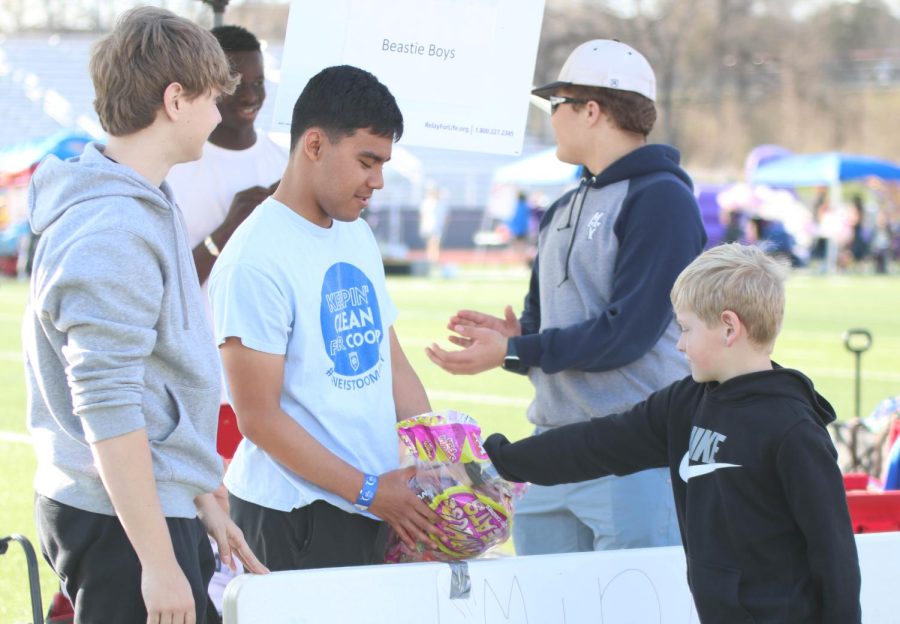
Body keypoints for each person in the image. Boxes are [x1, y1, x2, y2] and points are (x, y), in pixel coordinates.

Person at [22, 7, 265, 624]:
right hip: (121, 524)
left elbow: (151, 386)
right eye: (212, 98)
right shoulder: (114, 228)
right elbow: (107, 406)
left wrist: (199, 497)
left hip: (146, 508)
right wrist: (157, 561)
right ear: (176, 98)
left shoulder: (142, 200)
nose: (219, 115)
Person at [427, 39, 706, 555]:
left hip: (634, 458)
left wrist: (518, 349)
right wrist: (513, 340)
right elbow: (542, 332)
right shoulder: (561, 208)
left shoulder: (662, 198)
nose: (552, 120)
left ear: (592, 110)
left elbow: (628, 333)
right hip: (551, 452)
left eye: (557, 106)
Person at [485, 243, 862, 623]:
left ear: (729, 327)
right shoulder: (685, 403)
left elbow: (835, 554)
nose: (679, 343)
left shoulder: (793, 429)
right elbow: (598, 444)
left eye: (685, 328)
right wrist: (500, 461)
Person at [208, 65, 441, 572]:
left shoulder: (355, 231)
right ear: (313, 145)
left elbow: (391, 361)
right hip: (294, 515)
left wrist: (437, 460)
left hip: (373, 502)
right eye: (366, 161)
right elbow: (259, 418)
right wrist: (371, 492)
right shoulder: (254, 257)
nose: (377, 181)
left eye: (383, 164)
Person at [167, 24, 288, 462]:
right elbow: (166, 285)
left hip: (273, 384)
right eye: (238, 83)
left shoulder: (286, 163)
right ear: (211, 83)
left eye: (258, 83)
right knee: (210, 527)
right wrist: (226, 232)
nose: (250, 95)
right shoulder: (176, 167)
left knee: (256, 529)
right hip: (200, 384)